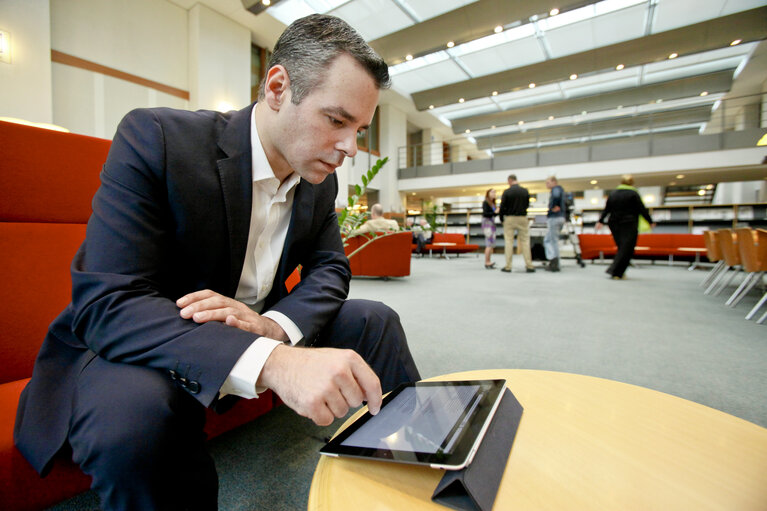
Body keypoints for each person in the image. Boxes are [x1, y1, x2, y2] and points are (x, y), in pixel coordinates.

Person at [14, 14, 420, 510]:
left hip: (257, 328)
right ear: (277, 87)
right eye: (336, 120)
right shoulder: (159, 140)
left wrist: (274, 327)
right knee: (134, 417)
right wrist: (272, 361)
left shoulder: (319, 181)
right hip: (147, 342)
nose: (349, 149)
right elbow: (109, 301)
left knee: (375, 319)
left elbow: (331, 268)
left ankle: (419, 466)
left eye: (359, 129)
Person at [595, 175, 655, 279]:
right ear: (632, 183)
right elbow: (641, 209)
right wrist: (650, 221)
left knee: (622, 247)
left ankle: (618, 272)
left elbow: (607, 209)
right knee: (627, 248)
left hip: (614, 223)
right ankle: (615, 271)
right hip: (628, 223)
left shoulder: (613, 194)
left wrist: (600, 221)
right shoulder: (633, 194)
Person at [499, 175, 535, 273]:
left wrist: (501, 218)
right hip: (523, 218)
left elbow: (502, 206)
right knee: (525, 241)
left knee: (509, 242)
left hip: (510, 218)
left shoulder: (507, 192)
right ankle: (529, 265)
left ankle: (508, 266)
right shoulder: (525, 191)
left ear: (510, 180)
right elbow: (527, 204)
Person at [543, 175, 566, 272]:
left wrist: (554, 206)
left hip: (555, 217)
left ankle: (555, 262)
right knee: (548, 240)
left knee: (552, 241)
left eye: (548, 182)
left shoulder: (556, 189)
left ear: (554, 182)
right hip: (560, 217)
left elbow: (556, 197)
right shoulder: (561, 190)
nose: (546, 185)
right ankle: (553, 260)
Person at [481, 188, 498, 269]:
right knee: (488, 243)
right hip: (487, 223)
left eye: (495, 192)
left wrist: (496, 213)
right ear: (488, 193)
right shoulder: (485, 202)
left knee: (491, 243)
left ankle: (489, 261)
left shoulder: (493, 203)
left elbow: (493, 215)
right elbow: (486, 213)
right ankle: (487, 262)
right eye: (492, 192)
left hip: (492, 223)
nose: (494, 193)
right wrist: (495, 212)